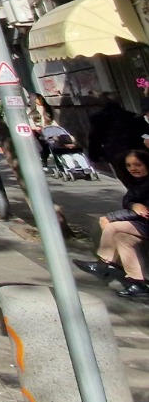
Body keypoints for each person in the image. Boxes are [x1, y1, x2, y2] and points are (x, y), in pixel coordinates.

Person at [75, 148, 149, 300]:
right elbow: (128, 201)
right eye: (129, 166)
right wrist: (134, 205)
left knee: (112, 226)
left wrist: (111, 217)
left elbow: (145, 212)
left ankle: (102, 265)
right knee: (122, 238)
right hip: (143, 224)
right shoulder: (139, 182)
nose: (133, 169)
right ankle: (138, 282)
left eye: (138, 165)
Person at [86, 96, 149, 180]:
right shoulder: (131, 116)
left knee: (128, 177)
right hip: (136, 150)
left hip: (115, 153)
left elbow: (94, 138)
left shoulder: (98, 119)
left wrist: (94, 155)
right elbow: (145, 131)